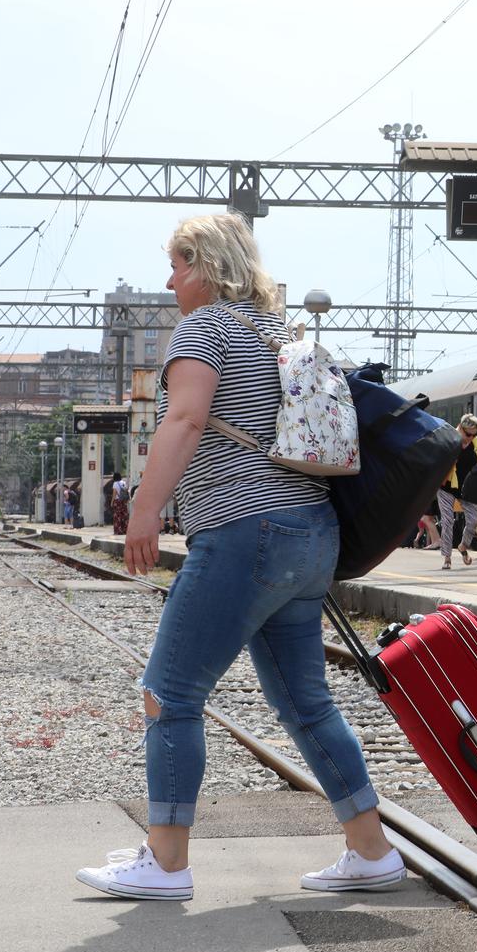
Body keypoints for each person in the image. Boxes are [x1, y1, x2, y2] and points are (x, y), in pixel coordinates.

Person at [76, 213, 402, 902]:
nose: (170, 281)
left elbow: (185, 419)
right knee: (306, 703)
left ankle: (165, 862)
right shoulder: (281, 331)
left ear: (207, 264)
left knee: (170, 691)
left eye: (178, 265)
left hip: (242, 530)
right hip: (311, 533)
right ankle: (370, 849)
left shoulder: (205, 328)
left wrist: (142, 508)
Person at [438, 413, 477, 570]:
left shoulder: (475, 442)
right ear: (461, 428)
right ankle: (447, 557)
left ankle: (463, 546)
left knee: (473, 519)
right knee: (447, 520)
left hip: (465, 487)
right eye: (468, 434)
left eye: (474, 434)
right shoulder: (451, 440)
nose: (470, 438)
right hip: (446, 486)